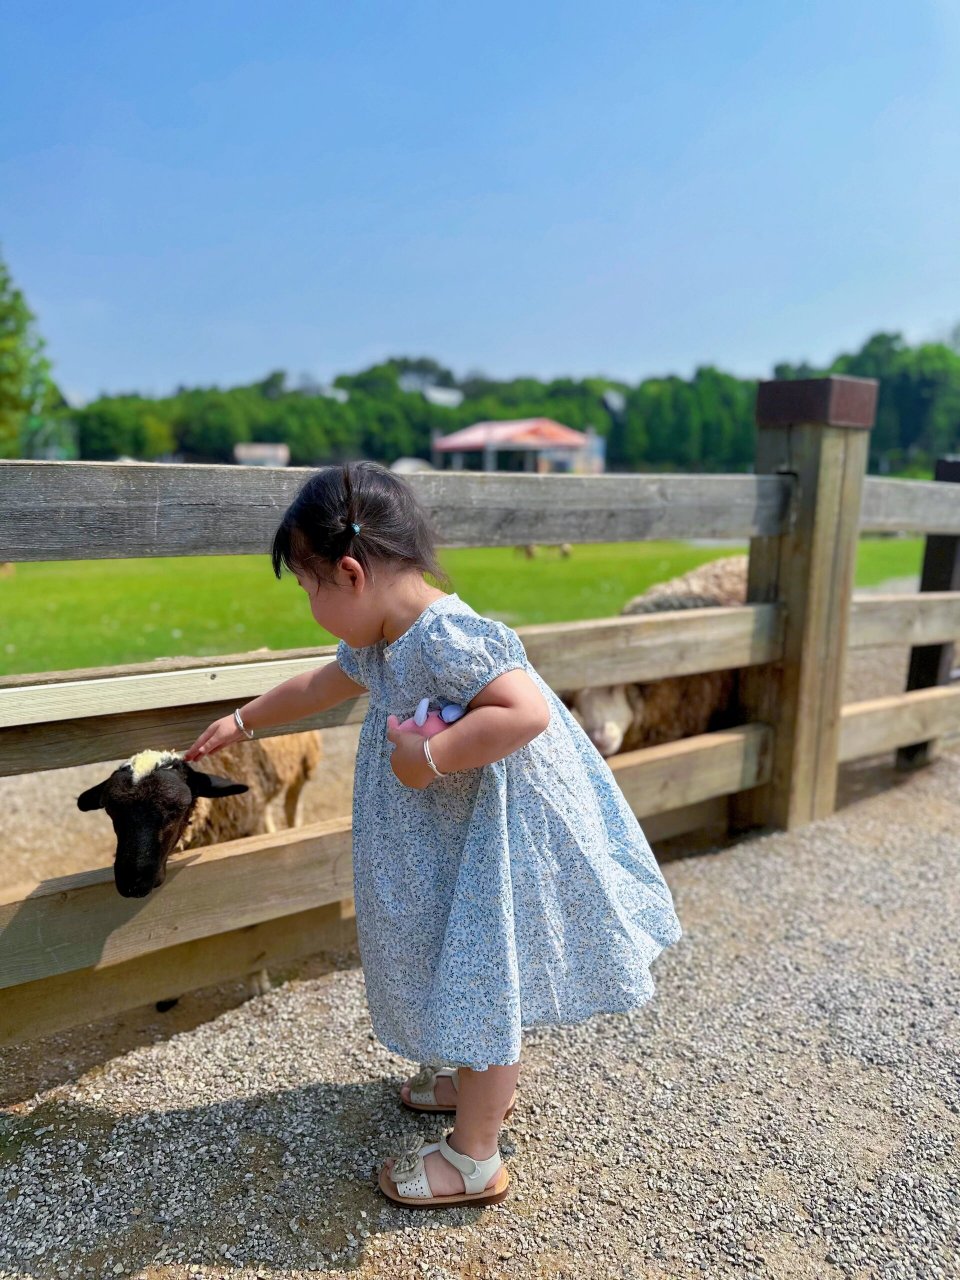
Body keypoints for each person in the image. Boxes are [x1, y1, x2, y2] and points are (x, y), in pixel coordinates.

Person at [186, 460, 683, 1210]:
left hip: (495, 841)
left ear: (349, 573)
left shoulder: (445, 634)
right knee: (452, 952)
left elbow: (524, 711)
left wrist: (427, 756)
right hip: (453, 840)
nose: (311, 605)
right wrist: (244, 720)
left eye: (308, 587)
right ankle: (469, 1084)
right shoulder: (386, 637)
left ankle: (475, 1156)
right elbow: (322, 685)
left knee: (484, 971)